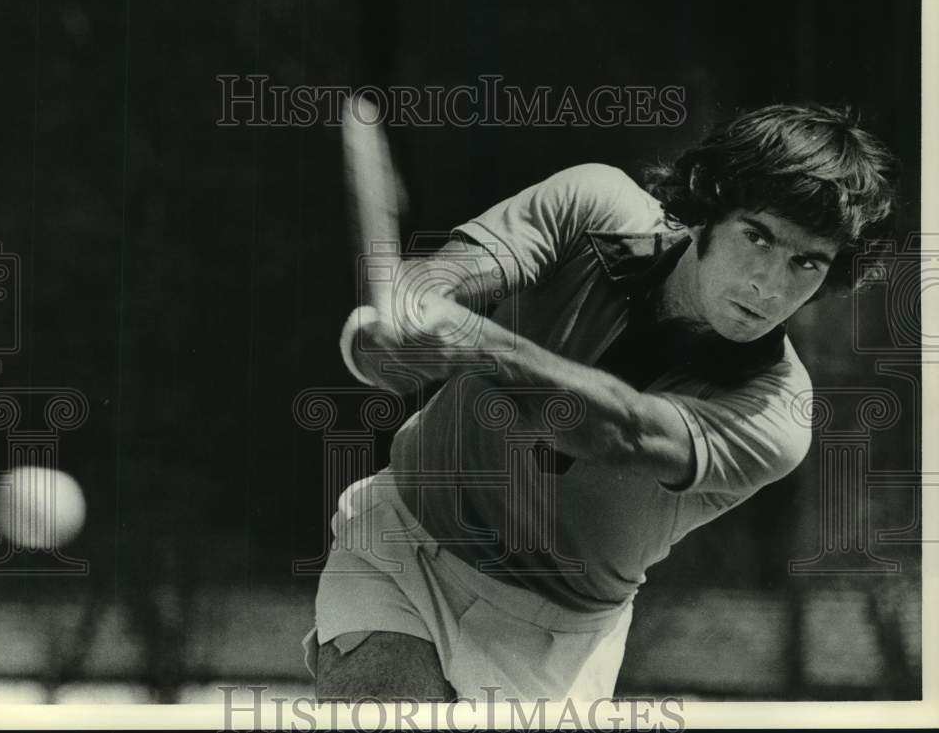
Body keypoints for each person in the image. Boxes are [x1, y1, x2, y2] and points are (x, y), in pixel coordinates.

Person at [301, 104, 897, 702]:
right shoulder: (594, 201)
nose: (769, 283)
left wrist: (473, 344)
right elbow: (448, 277)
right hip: (400, 540)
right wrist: (411, 314)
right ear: (706, 211)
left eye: (806, 262)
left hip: (552, 640)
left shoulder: (778, 413)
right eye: (756, 237)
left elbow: (620, 430)